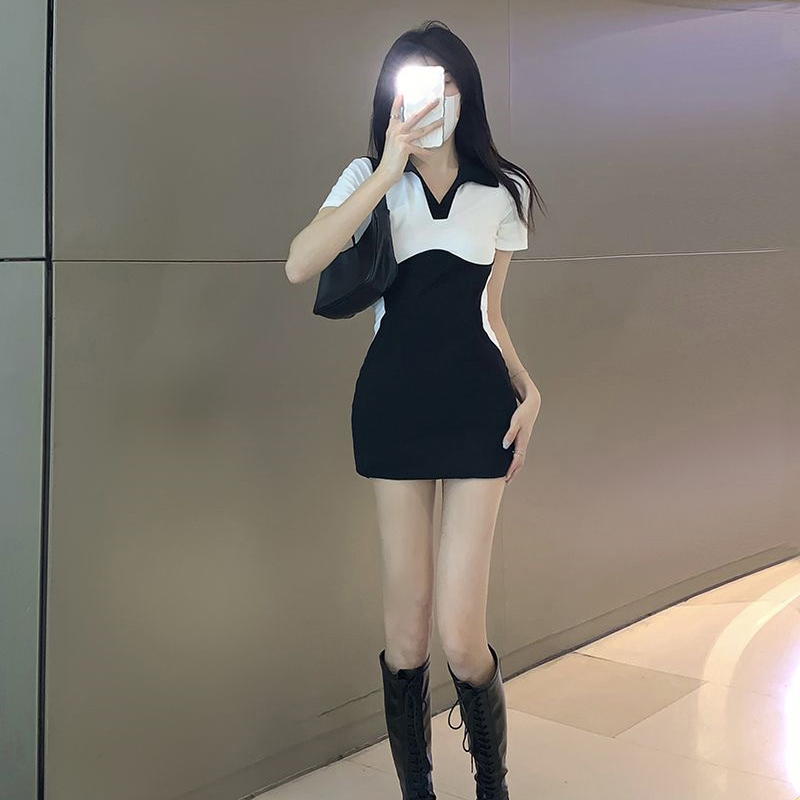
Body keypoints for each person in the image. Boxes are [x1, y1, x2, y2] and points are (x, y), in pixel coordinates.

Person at [286, 19, 545, 800]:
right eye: (417, 83)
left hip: (477, 408)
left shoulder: (505, 191)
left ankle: (492, 786)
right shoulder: (368, 174)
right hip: (393, 407)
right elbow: (300, 263)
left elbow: (490, 313)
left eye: (447, 81)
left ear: (466, 92)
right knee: (405, 636)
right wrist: (387, 170)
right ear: (392, 98)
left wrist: (531, 389)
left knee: (462, 638)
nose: (435, 98)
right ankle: (418, 791)